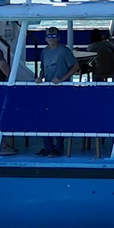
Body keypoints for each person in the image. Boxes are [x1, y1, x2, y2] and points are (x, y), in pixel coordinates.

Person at [37, 29, 76, 157]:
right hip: (47, 90)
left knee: (59, 118)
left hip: (61, 90)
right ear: (45, 38)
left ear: (58, 37)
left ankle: (58, 148)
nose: (51, 38)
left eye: (54, 36)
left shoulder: (64, 50)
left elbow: (75, 67)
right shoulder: (44, 51)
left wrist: (62, 80)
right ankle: (48, 147)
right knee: (45, 118)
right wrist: (39, 78)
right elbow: (43, 68)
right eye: (49, 36)